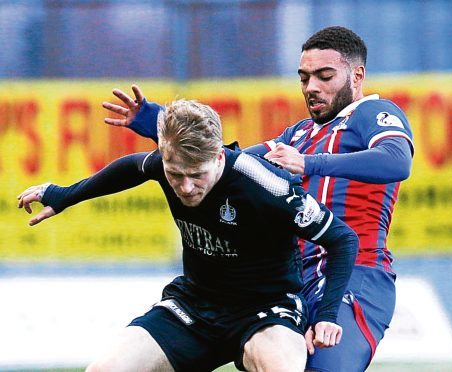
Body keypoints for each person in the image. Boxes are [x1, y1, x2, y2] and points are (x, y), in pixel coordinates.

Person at [102, 26, 414, 371]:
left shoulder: (373, 114)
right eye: (304, 77)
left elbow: (396, 160)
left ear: (357, 76)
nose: (311, 87)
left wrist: (308, 163)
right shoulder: (297, 134)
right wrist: (155, 120)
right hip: (293, 282)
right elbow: (223, 163)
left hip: (355, 271)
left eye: (324, 76)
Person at [18, 99, 358, 371]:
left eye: (197, 175)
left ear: (219, 155)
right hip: (193, 307)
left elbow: (343, 240)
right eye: (175, 174)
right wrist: (64, 196)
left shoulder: (268, 185)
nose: (186, 186)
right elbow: (128, 168)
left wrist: (327, 315)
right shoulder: (167, 164)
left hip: (266, 310)